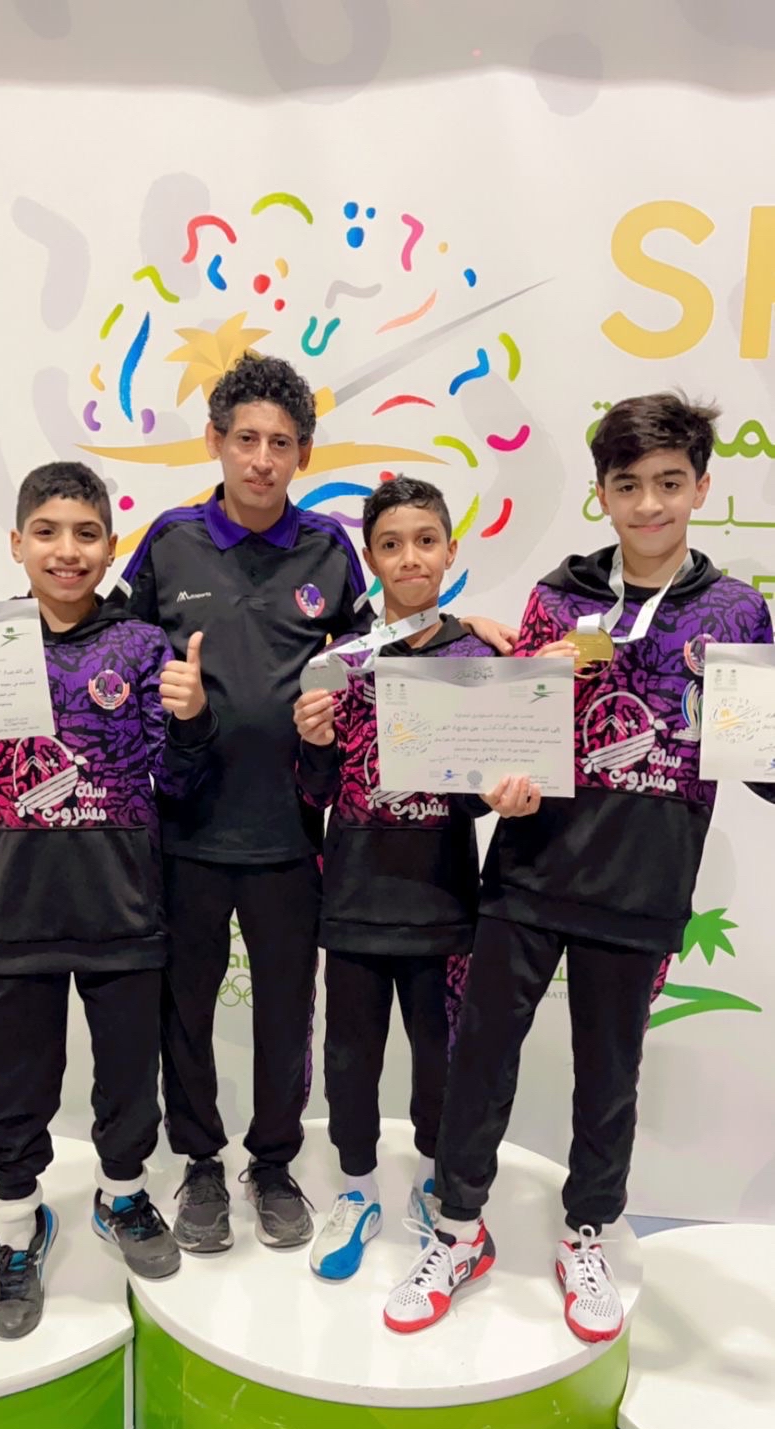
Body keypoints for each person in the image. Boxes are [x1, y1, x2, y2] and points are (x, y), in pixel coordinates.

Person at [384, 392, 775, 1342]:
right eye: (628, 485)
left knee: (609, 1078)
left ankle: (587, 1233)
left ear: (702, 488)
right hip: (530, 873)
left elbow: (761, 760)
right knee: (480, 1061)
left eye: (670, 483)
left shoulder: (736, 612)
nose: (650, 505)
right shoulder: (558, 598)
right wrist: (499, 781)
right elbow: (505, 744)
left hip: (642, 886)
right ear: (602, 493)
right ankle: (458, 1230)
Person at [117, 353, 516, 1255]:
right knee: (184, 1011)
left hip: (295, 834)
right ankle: (202, 1165)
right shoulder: (170, 541)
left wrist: (479, 628)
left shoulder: (329, 550)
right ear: (216, 442)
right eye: (246, 439)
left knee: (286, 1015)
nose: (262, 459)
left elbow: (387, 648)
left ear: (302, 453)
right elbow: (116, 641)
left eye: (281, 443)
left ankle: (272, 1163)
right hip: (184, 828)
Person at [0, 462, 217, 1339]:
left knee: (128, 1081)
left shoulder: (142, 646)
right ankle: (16, 1227)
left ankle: (122, 1195)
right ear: (17, 543)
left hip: (124, 912)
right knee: (16, 1088)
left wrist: (191, 718)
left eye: (86, 533)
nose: (68, 550)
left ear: (110, 545)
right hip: (15, 916)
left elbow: (180, 782)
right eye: (48, 532)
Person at [293, 477, 540, 1281]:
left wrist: (494, 788)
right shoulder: (339, 661)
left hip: (444, 899)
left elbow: (477, 793)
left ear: (451, 550)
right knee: (350, 1059)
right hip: (354, 896)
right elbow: (316, 791)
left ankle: (437, 1185)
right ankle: (357, 1190)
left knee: (442, 1058)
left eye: (426, 541)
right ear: (370, 558)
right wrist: (316, 744)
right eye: (392, 545)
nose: (410, 558)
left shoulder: (479, 658)